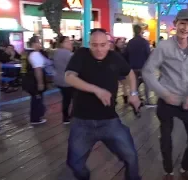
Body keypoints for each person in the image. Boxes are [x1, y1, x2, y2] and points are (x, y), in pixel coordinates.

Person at [65, 28, 142, 180]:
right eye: (95, 45)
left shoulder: (115, 57)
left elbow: (130, 73)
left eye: (102, 45)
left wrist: (133, 94)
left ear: (109, 44)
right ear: (89, 44)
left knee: (131, 156)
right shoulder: (81, 55)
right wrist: (96, 90)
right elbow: (69, 77)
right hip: (82, 121)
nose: (99, 49)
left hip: (109, 120)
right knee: (74, 164)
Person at [142, 9, 188, 180]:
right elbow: (147, 72)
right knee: (165, 139)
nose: (185, 28)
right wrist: (164, 94)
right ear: (175, 24)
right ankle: (168, 169)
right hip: (167, 100)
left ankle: (185, 166)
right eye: (182, 24)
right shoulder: (164, 46)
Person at [125, 24, 153, 108]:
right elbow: (148, 54)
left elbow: (126, 54)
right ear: (141, 31)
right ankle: (147, 101)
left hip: (133, 67)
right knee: (147, 84)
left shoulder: (130, 42)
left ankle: (136, 99)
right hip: (143, 67)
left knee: (135, 85)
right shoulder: (144, 42)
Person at [22, 36, 47, 125]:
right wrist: (40, 83)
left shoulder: (26, 53)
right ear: (34, 44)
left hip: (28, 80)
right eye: (38, 42)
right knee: (37, 99)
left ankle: (36, 116)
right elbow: (38, 70)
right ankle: (36, 118)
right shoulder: (35, 54)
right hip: (34, 81)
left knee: (35, 99)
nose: (40, 44)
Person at [53, 36, 73, 124]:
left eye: (69, 41)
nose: (69, 43)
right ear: (61, 44)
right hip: (67, 80)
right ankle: (68, 117)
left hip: (59, 79)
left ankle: (67, 117)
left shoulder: (57, 52)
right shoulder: (67, 53)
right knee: (73, 98)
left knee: (66, 98)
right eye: (67, 42)